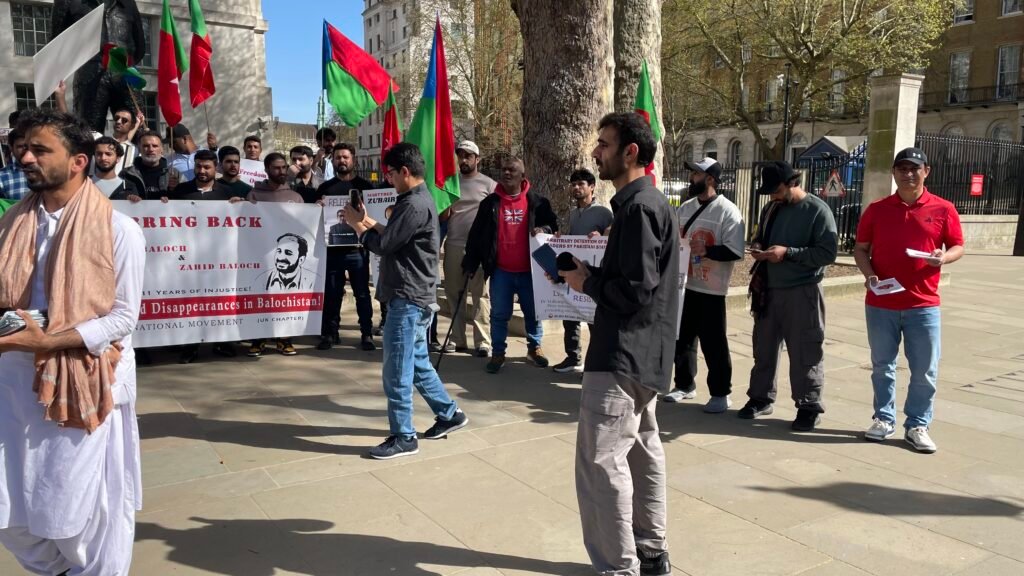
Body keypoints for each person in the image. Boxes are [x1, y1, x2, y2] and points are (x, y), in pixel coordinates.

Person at [0, 108, 145, 575]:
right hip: (13, 383)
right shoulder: (11, 226)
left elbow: (123, 317)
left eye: (40, 149)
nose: (25, 157)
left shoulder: (119, 230)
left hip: (84, 386)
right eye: (21, 148)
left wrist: (48, 341)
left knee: (80, 515)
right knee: (10, 512)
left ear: (79, 161)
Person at [558, 112, 678, 576]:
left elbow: (633, 291)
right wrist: (589, 276)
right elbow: (638, 283)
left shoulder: (639, 208)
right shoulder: (647, 204)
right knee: (643, 449)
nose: (596, 152)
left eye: (604, 144)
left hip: (622, 355)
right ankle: (650, 552)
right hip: (643, 355)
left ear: (631, 152)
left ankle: (618, 566)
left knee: (601, 463)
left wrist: (588, 285)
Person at [343, 142, 469, 460]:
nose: (388, 179)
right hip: (414, 295)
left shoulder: (413, 204)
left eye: (390, 174)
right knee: (417, 363)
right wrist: (367, 221)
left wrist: (357, 226)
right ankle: (449, 414)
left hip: (408, 297)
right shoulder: (415, 200)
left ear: (404, 172)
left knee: (397, 370)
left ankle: (403, 435)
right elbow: (396, 235)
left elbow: (385, 245)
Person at [853, 147, 964, 453]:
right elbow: (861, 248)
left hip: (923, 304)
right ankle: (883, 419)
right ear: (894, 172)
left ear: (926, 171)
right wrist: (869, 275)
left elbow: (957, 246)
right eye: (902, 168)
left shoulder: (943, 209)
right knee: (882, 366)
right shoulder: (877, 209)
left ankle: (917, 424)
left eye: (914, 168)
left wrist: (943, 257)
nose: (908, 173)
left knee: (925, 370)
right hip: (881, 304)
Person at [742, 160, 838, 432]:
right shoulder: (772, 207)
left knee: (806, 350)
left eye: (776, 189)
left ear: (791, 183)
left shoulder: (818, 211)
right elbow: (760, 236)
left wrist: (788, 253)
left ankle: (808, 404)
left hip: (802, 290)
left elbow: (827, 254)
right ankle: (760, 398)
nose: (772, 194)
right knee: (764, 347)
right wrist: (760, 247)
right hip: (769, 289)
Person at [663, 158, 745, 413]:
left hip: (712, 289)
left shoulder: (728, 211)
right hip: (684, 286)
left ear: (710, 179)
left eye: (696, 175)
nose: (691, 179)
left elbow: (735, 251)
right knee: (682, 339)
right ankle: (684, 385)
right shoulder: (685, 208)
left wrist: (708, 250)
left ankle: (721, 393)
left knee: (714, 342)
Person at [462, 156, 558, 374]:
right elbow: (477, 235)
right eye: (503, 169)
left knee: (533, 313)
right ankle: (498, 353)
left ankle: (534, 348)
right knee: (499, 314)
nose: (506, 173)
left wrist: (544, 229)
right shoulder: (490, 203)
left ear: (522, 176)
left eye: (512, 170)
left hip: (530, 272)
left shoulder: (538, 202)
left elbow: (553, 226)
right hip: (501, 271)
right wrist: (470, 262)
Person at [167, 149, 244, 363]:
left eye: (207, 167)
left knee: (220, 300)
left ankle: (222, 342)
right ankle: (190, 347)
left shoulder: (227, 193)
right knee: (192, 302)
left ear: (215, 168)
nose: (202, 171)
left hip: (219, 259)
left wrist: (240, 207)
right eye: (198, 166)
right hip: (189, 259)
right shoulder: (181, 191)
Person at [315, 144, 376, 351]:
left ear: (354, 160)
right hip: (333, 250)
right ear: (333, 161)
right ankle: (330, 333)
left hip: (358, 250)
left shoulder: (365, 187)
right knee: (332, 293)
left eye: (345, 157)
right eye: (338, 158)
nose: (342, 161)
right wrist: (318, 208)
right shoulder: (325, 188)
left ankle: (366, 333)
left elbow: (373, 219)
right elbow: (316, 220)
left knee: (362, 293)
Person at [552, 168, 613, 374]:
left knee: (594, 321)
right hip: (573, 274)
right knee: (570, 316)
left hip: (592, 275)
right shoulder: (572, 213)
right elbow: (571, 241)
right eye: (574, 184)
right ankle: (573, 357)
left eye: (581, 184)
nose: (576, 188)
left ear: (592, 187)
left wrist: (603, 235)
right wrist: (560, 237)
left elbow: (611, 240)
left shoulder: (604, 213)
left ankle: (595, 363)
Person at [440, 140, 496, 358]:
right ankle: (457, 339)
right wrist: (445, 205)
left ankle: (483, 342)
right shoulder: (450, 184)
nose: (463, 160)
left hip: (479, 250)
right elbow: (444, 216)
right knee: (454, 294)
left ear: (477, 159)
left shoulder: (489, 185)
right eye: (460, 155)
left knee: (480, 295)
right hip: (453, 245)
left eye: (468, 156)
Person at [247, 153, 305, 358]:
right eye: (276, 168)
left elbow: (303, 224)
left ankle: (284, 339)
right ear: (267, 170)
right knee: (261, 296)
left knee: (285, 297)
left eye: (283, 168)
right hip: (260, 255)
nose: (281, 172)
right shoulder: (254, 194)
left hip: (285, 259)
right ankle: (258, 339)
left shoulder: (295, 196)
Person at [121, 131, 180, 201]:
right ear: (139, 149)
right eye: (146, 146)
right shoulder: (127, 173)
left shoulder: (174, 173)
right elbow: (118, 196)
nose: (151, 149)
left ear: (162, 149)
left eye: (155, 146)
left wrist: (174, 191)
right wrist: (128, 196)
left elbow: (185, 199)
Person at [92, 135, 141, 199]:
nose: (103, 158)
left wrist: (135, 201)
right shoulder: (82, 184)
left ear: (118, 158)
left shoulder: (128, 187)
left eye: (108, 154)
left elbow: (135, 208)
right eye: (99, 154)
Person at [109, 108, 145, 174]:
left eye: (124, 120)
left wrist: (137, 123)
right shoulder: (101, 143)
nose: (118, 122)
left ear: (131, 126)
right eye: (116, 118)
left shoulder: (135, 150)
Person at [0, 129, 31, 200]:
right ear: (11, 148)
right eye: (20, 146)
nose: (26, 150)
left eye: (28, 146)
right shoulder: (2, 177)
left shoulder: (48, 172)